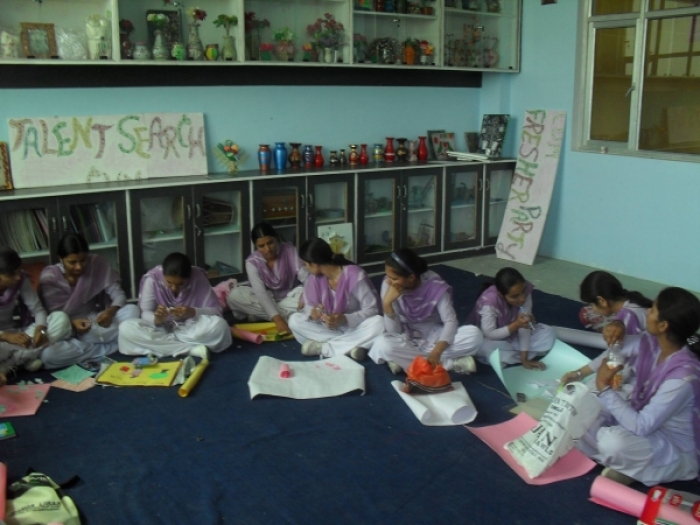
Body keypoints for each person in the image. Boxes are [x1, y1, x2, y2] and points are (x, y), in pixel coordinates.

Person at [575, 287, 700, 486]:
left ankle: (634, 467)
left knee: (613, 442)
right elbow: (617, 349)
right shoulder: (652, 343)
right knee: (581, 410)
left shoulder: (682, 379)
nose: (647, 312)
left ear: (663, 325)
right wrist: (617, 327)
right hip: (646, 429)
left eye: (653, 310)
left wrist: (604, 387)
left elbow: (642, 426)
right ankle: (630, 467)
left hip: (674, 449)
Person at [369, 248, 483, 375]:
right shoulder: (389, 285)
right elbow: (394, 332)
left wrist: (437, 352)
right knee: (382, 345)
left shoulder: (435, 286)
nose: (388, 281)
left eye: (394, 278)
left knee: (475, 335)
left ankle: (406, 361)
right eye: (388, 276)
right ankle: (450, 363)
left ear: (411, 277)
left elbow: (450, 321)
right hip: (405, 333)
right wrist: (387, 304)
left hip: (433, 334)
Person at [39, 233, 139, 368]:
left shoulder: (96, 263)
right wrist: (72, 324)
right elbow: (52, 317)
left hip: (93, 323)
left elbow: (119, 295)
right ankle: (113, 346)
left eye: (83, 260)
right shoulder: (50, 277)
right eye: (72, 262)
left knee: (133, 310)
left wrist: (110, 312)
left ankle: (94, 346)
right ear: (60, 259)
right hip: (66, 330)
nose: (79, 267)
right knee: (48, 355)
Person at [118, 252, 231, 358]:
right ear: (163, 275)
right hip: (159, 329)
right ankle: (189, 350)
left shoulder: (197, 277)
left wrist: (192, 311)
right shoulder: (153, 278)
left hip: (190, 328)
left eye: (180, 284)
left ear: (189, 278)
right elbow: (145, 312)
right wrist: (157, 319)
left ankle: (165, 347)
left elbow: (216, 311)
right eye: (169, 282)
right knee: (125, 328)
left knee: (220, 326)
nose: (173, 288)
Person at [287, 238, 384, 361]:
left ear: (314, 263)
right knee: (294, 320)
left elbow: (373, 309)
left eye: (306, 264)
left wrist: (344, 318)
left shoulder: (354, 275)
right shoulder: (314, 279)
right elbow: (308, 306)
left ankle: (324, 348)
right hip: (330, 329)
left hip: (356, 327)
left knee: (379, 323)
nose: (306, 268)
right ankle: (351, 347)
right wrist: (313, 312)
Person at [0, 247, 72, 384]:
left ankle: (9, 365)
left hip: (18, 335)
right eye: (11, 274)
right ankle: (23, 359)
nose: (17, 277)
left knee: (60, 318)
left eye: (18, 271)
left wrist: (41, 329)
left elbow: (38, 310)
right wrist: (5, 336)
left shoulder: (20, 280)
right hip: (3, 340)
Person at [226, 222, 309, 335]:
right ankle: (288, 316)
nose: (267, 249)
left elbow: (307, 278)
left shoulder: (290, 251)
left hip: (290, 298)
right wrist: (278, 320)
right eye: (261, 246)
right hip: (266, 299)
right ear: (256, 246)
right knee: (234, 296)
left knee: (309, 296)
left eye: (270, 243)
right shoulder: (252, 262)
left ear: (276, 238)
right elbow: (260, 293)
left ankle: (261, 315)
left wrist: (304, 297)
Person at [466, 267, 555, 370]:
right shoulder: (490, 303)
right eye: (515, 296)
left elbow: (524, 326)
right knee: (483, 347)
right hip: (491, 338)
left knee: (549, 333)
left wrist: (524, 358)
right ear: (501, 294)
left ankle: (515, 355)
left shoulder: (524, 289)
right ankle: (519, 353)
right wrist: (516, 325)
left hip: (512, 335)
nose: (522, 299)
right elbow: (489, 334)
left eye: (523, 292)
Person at [555, 271, 653, 350]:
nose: (592, 309)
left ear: (602, 301)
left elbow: (626, 350)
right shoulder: (632, 301)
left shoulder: (627, 317)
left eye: (592, 304)